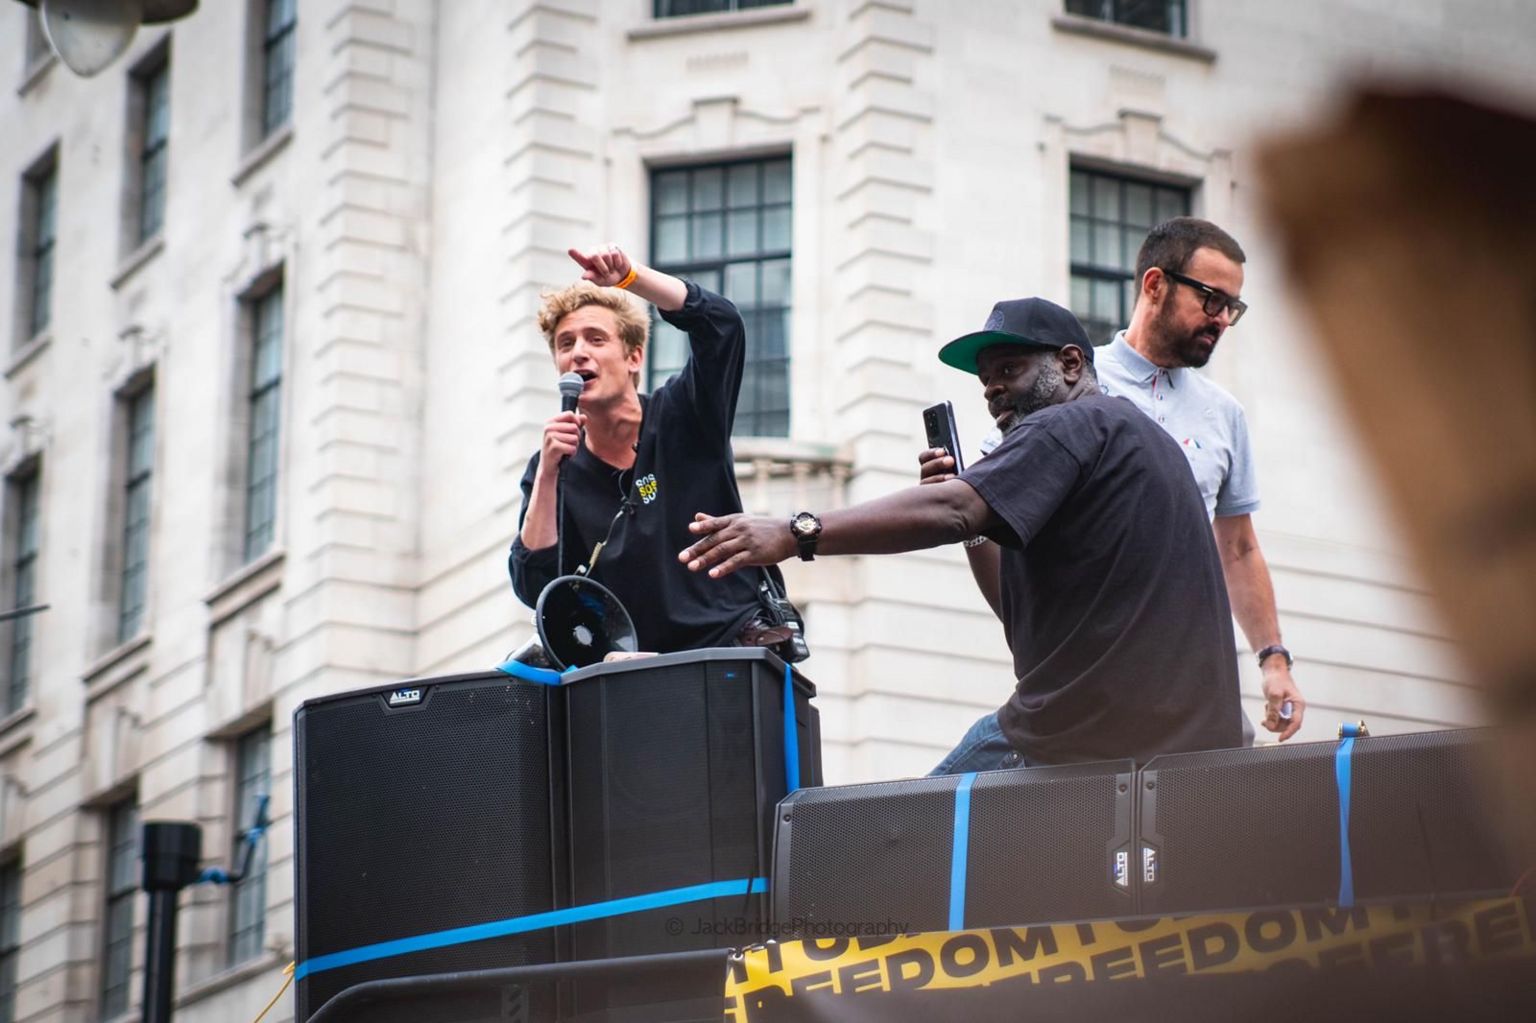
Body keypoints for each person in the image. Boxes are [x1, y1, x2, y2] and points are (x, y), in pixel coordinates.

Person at [679, 298, 1244, 769]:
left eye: (1009, 370)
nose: (993, 390)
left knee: (884, 843)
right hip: (1149, 737)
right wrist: (980, 523)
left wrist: (795, 532)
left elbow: (952, 509)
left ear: (1072, 363)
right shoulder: (1128, 437)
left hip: (1087, 738)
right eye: (985, 380)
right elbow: (1017, 618)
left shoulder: (1076, 422)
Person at [960, 219, 1305, 743]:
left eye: (1232, 308)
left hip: (1192, 685)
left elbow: (1236, 547)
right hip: (1091, 688)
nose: (1221, 320)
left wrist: (1273, 661)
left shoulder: (1224, 414)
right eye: (1212, 300)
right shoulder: (1066, 379)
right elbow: (992, 513)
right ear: (1154, 285)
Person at [508, 244, 788, 654]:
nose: (578, 352)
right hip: (634, 673)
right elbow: (535, 586)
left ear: (634, 356)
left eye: (596, 338)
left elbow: (722, 326)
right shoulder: (554, 466)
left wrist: (629, 277)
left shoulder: (683, 414)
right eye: (565, 344)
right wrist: (549, 473)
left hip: (730, 650)